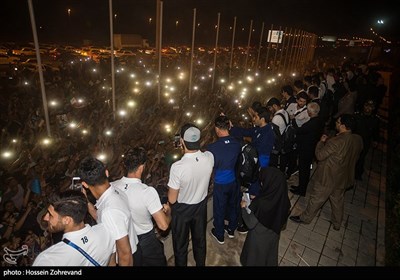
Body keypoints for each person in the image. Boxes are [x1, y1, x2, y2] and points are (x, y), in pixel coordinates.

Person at [290, 114, 363, 230]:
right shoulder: (358, 140)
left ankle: (305, 218)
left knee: (316, 199)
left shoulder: (336, 142)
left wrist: (321, 142)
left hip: (328, 177)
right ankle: (337, 223)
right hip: (342, 177)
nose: (336, 123)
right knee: (338, 201)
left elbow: (319, 156)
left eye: (338, 122)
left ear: (343, 126)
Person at [113, 146, 171, 266]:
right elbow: (163, 226)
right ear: (142, 167)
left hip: (124, 240)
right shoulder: (147, 192)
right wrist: (168, 213)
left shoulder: (112, 186)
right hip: (145, 241)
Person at [167, 123, 214, 266]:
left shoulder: (177, 167)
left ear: (181, 141)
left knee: (180, 246)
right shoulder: (209, 157)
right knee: (200, 241)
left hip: (182, 210)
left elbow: (172, 199)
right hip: (200, 207)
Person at [78, 157, 138, 266]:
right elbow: (102, 218)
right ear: (106, 173)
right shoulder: (114, 190)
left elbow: (125, 253)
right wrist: (86, 202)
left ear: (85, 184)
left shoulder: (110, 211)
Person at [33, 190, 114, 266]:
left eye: (50, 214)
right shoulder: (107, 232)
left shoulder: (48, 259)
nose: (45, 218)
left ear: (67, 220)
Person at [240, 167, 290, 266]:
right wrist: (257, 198)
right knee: (268, 258)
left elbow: (250, 223)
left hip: (258, 239)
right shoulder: (284, 200)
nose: (262, 184)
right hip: (273, 236)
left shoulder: (261, 203)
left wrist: (243, 207)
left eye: (263, 181)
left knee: (255, 259)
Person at [206, 115, 241, 244]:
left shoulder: (212, 148)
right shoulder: (237, 143)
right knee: (233, 205)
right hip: (233, 181)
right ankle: (231, 229)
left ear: (217, 129)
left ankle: (219, 234)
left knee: (219, 209)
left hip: (220, 183)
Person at [290, 102, 324, 196]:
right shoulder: (319, 120)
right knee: (305, 169)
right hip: (311, 147)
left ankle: (301, 190)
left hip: (306, 149)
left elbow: (299, 131)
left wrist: (293, 121)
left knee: (303, 170)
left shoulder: (312, 123)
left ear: (310, 112)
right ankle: (301, 186)